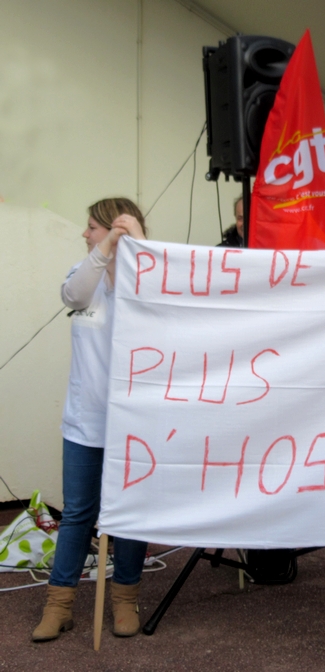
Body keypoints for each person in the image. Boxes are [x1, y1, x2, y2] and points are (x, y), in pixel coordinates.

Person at [32, 198, 149, 642]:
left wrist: (136, 243)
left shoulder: (144, 279)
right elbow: (73, 295)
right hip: (84, 421)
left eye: (93, 228)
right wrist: (104, 250)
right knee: (79, 512)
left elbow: (159, 301)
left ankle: (125, 599)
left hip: (133, 422)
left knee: (129, 515)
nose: (85, 234)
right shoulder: (85, 275)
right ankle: (59, 604)